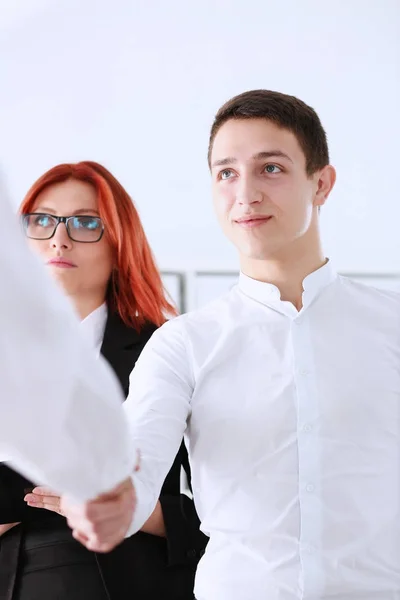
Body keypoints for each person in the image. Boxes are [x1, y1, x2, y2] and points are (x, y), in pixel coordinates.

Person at [64, 90, 400, 600]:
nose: (245, 193)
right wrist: (112, 502)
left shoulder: (390, 325)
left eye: (270, 168)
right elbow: (138, 461)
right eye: (226, 173)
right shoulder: (182, 344)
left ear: (322, 184)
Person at [0, 161, 207, 600]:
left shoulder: (170, 347)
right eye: (42, 220)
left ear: (119, 241)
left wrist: (134, 510)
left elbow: (225, 512)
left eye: (85, 222)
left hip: (136, 579)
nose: (59, 237)